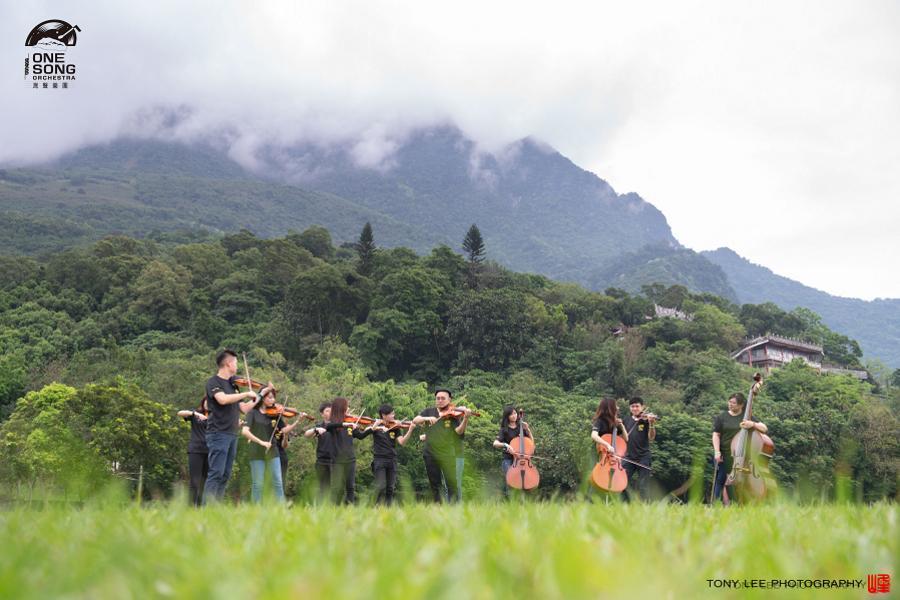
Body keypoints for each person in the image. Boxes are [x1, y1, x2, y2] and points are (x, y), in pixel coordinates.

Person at [203, 349, 261, 503]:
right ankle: (206, 509)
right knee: (216, 472)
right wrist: (245, 394)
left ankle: (215, 508)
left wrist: (259, 396)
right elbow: (222, 399)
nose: (237, 365)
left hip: (231, 433)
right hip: (218, 433)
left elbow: (243, 409)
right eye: (236, 362)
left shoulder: (233, 385)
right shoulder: (213, 382)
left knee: (225, 474)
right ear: (228, 363)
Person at [412, 388, 471, 503]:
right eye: (438, 398)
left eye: (443, 398)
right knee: (435, 484)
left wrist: (466, 419)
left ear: (449, 400)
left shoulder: (452, 415)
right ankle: (438, 508)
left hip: (447, 453)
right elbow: (415, 420)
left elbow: (458, 432)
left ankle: (453, 510)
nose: (440, 400)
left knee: (452, 483)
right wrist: (426, 418)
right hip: (430, 453)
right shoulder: (428, 412)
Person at [712, 392, 768, 505]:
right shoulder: (721, 417)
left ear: (741, 405)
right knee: (721, 481)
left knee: (738, 481)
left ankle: (737, 504)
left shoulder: (747, 417)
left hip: (741, 457)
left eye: (734, 403)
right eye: (730, 402)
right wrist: (717, 452)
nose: (730, 404)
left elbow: (764, 428)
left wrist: (752, 424)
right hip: (724, 454)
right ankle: (717, 505)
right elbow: (716, 435)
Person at [356, 404, 417, 505]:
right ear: (384, 415)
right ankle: (376, 505)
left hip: (392, 460)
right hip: (379, 460)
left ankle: (388, 508)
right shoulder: (374, 426)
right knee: (381, 485)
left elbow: (402, 442)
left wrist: (410, 430)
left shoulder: (395, 428)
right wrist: (375, 426)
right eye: (391, 414)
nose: (394, 416)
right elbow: (362, 434)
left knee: (390, 487)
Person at [241, 385, 286, 503]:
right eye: (270, 397)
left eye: (273, 398)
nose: (273, 400)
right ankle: (256, 509)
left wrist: (297, 421)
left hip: (273, 450)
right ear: (263, 398)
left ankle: (282, 508)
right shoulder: (252, 413)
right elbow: (245, 431)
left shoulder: (275, 414)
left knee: (278, 481)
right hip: (256, 450)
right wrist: (261, 442)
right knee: (258, 483)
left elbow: (284, 430)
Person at [324, 397, 366, 504]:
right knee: (337, 488)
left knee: (350, 487)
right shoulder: (333, 423)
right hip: (337, 460)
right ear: (341, 408)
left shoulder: (350, 423)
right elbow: (328, 427)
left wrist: (371, 429)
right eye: (347, 406)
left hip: (350, 459)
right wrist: (344, 424)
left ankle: (349, 510)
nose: (348, 408)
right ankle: (334, 509)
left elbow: (360, 436)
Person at [492, 405, 534, 497]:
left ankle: (521, 506)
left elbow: (531, 443)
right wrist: (506, 445)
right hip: (508, 460)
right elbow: (495, 443)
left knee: (522, 485)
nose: (514, 416)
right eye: (511, 414)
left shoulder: (521, 427)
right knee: (511, 485)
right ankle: (510, 505)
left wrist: (528, 429)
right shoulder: (504, 430)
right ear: (507, 416)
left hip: (522, 460)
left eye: (515, 413)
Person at [621, 397, 656, 501]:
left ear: (642, 407)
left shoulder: (646, 420)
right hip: (629, 456)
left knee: (643, 485)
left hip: (643, 456)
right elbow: (620, 436)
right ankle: (621, 505)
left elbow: (651, 438)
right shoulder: (626, 420)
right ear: (629, 408)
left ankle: (644, 508)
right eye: (632, 406)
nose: (635, 408)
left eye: (637, 406)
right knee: (621, 482)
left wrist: (651, 424)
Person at [177, 398, 209, 506]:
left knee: (204, 482)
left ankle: (200, 507)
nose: (208, 404)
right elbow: (180, 413)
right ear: (203, 402)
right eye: (206, 401)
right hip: (196, 450)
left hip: (210, 452)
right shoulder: (196, 413)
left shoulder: (216, 416)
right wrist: (195, 413)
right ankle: (191, 507)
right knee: (194, 481)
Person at [304, 402, 333, 504]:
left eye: (331, 410)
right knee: (322, 486)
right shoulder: (319, 425)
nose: (330, 412)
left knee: (333, 487)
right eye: (327, 411)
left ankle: (333, 508)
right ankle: (321, 508)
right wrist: (315, 429)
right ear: (322, 414)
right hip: (321, 460)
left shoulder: (337, 425)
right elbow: (306, 434)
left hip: (334, 460)